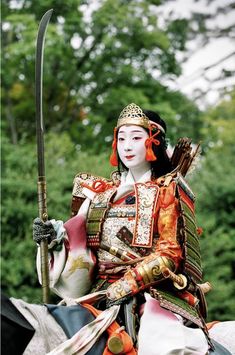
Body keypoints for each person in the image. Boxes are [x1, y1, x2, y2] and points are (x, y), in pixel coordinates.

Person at [32, 102, 212, 354]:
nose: (127, 145)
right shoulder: (98, 194)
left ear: (154, 142)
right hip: (97, 293)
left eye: (136, 137)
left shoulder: (168, 190)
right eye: (121, 137)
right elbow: (79, 251)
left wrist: (127, 285)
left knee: (161, 341)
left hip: (153, 292)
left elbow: (170, 254)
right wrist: (53, 239)